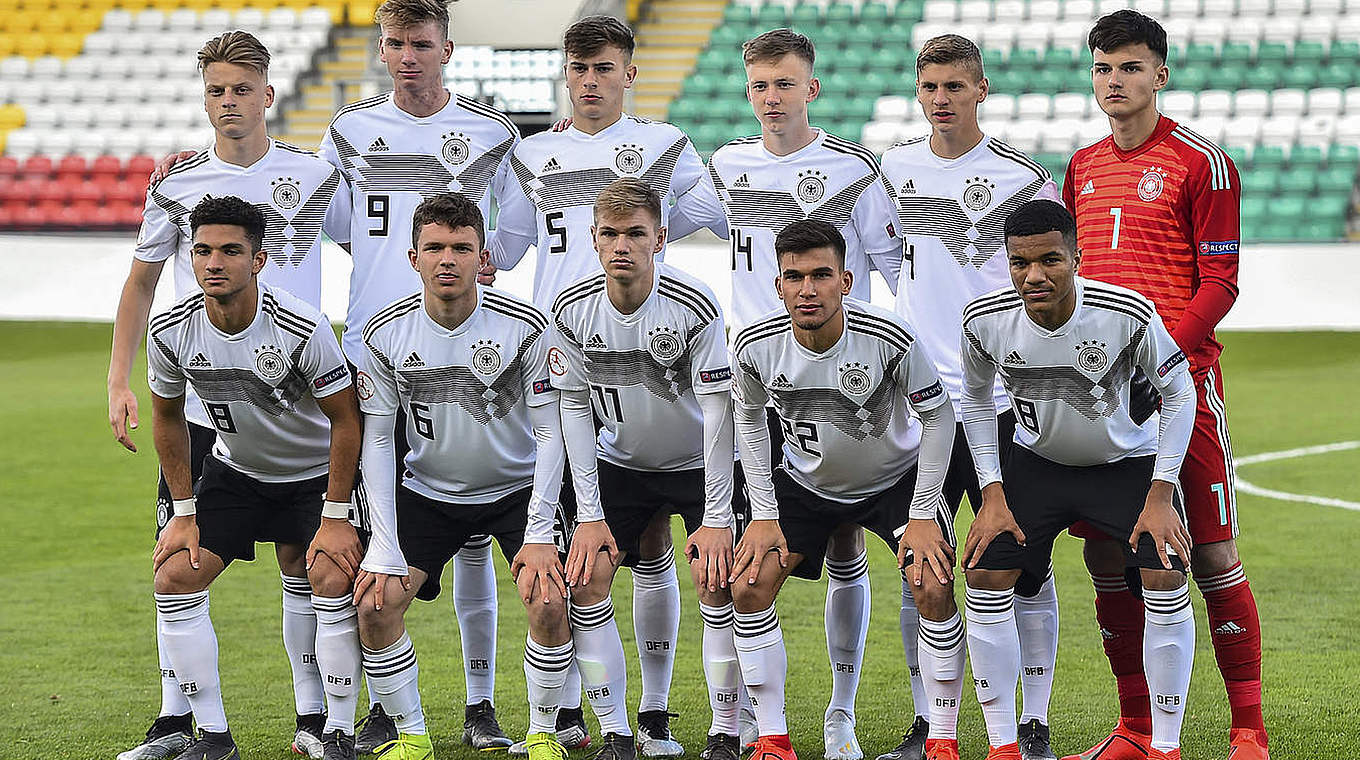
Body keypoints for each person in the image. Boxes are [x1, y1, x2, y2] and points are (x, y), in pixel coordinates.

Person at [108, 31, 351, 760]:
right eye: (216, 90)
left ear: (268, 95)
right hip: (203, 407)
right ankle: (175, 719)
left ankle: (316, 719)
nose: (228, 102)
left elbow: (375, 241)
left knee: (300, 563)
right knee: (174, 552)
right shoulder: (176, 183)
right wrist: (118, 377)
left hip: (296, 401)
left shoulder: (314, 174)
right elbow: (141, 283)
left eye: (242, 89)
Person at [491, 16, 727, 757]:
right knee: (575, 554)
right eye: (578, 68)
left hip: (646, 352)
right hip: (559, 355)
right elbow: (502, 249)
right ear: (564, 74)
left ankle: (652, 712)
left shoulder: (665, 146)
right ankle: (567, 713)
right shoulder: (531, 153)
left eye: (603, 67)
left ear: (630, 73)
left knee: (650, 547)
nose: (589, 81)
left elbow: (720, 214)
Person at [318, 0, 526, 748]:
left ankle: (480, 706)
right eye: (395, 43)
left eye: (421, 43)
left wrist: (489, 261)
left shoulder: (491, 132)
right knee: (377, 543)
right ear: (382, 49)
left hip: (466, 345)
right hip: (375, 349)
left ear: (447, 48)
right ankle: (383, 707)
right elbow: (329, 219)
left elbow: (519, 222)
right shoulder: (348, 130)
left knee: (471, 533)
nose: (407, 56)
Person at [1061, 11, 1264, 760]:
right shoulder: (1081, 165)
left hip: (1182, 387)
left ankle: (1249, 731)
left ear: (1160, 74)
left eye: (1130, 67)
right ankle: (1136, 729)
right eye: (1103, 68)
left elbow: (1221, 282)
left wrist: (1160, 356)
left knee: (1210, 555)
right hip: (1101, 393)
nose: (1114, 81)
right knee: (1108, 558)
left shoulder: (1201, 163)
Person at [706, 29, 903, 758]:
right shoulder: (727, 164)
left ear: (811, 89)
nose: (772, 97)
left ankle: (840, 714)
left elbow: (892, 269)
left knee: (846, 541)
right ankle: (745, 721)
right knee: (742, 558)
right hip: (755, 384)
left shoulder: (853, 168)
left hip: (837, 379)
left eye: (785, 83)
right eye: (760, 85)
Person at [958, 199, 1197, 760]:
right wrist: (991, 493)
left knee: (1165, 572)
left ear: (1077, 258)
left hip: (1126, 465)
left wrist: (1162, 494)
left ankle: (1165, 747)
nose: (1034, 276)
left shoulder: (1126, 314)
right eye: (1020, 263)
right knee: (985, 572)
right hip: (1037, 464)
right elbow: (975, 399)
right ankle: (1003, 746)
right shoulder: (983, 321)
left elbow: (1179, 391)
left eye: (1050, 260)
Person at [878, 35, 1060, 760]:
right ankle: (930, 723)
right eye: (930, 87)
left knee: (1022, 566)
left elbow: (1049, 278)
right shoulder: (894, 169)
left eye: (955, 85)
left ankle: (1032, 722)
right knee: (918, 568)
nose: (941, 99)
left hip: (1005, 400)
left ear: (981, 89)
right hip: (919, 406)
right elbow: (888, 258)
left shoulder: (1023, 179)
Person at [352, 193, 573, 760]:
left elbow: (551, 433)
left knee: (550, 601)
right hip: (429, 492)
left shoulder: (527, 327)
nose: (447, 259)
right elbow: (378, 439)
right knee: (375, 604)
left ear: (482, 257)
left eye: (461, 247)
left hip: (516, 490)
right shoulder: (383, 333)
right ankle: (412, 736)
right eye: (434, 248)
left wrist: (540, 531)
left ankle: (544, 734)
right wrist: (382, 542)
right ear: (413, 258)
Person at [727, 219, 954, 760]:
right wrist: (763, 513)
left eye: (821, 275)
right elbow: (748, 418)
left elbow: (939, 416)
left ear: (846, 281)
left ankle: (941, 738)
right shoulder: (755, 345)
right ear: (778, 285)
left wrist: (924, 512)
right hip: (807, 484)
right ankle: (773, 738)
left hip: (894, 482)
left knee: (932, 584)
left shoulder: (889, 337)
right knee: (749, 585)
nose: (808, 289)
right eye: (794, 277)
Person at [146, 196, 363, 760]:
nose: (213, 263)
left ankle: (330, 730)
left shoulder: (301, 326)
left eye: (230, 251)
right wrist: (182, 512)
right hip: (237, 473)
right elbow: (167, 419)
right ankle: (213, 737)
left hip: (313, 477)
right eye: (202, 251)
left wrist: (336, 515)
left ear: (259, 259)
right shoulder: (170, 330)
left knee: (326, 576)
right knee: (175, 576)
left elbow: (346, 420)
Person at [553, 178, 743, 760]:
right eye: (610, 234)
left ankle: (724, 729)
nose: (622, 246)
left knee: (718, 581)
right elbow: (573, 409)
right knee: (586, 580)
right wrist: (588, 513)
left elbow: (719, 415)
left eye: (636, 233)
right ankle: (618, 731)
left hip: (699, 462)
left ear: (660, 238)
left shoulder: (694, 305)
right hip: (622, 464)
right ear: (593, 238)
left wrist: (717, 516)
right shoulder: (570, 310)